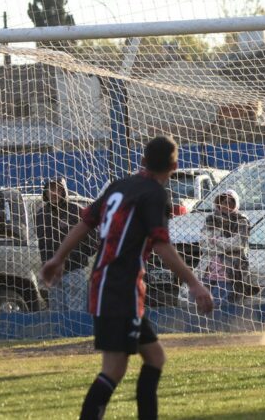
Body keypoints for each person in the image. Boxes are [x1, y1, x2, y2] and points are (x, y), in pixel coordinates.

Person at [40, 136, 213, 420]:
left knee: (155, 357)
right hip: (121, 287)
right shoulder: (155, 194)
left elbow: (85, 222)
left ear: (143, 161)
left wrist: (58, 258)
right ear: (174, 166)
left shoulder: (119, 186)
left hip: (108, 283)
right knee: (114, 369)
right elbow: (161, 245)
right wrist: (194, 283)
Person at [36, 177, 97, 312]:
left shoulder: (76, 210)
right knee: (56, 313)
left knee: (76, 313)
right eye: (51, 189)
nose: (54, 193)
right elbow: (42, 244)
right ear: (45, 192)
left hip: (74, 271)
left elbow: (93, 238)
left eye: (58, 189)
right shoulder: (41, 215)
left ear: (64, 191)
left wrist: (78, 258)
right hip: (53, 275)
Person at [199, 189, 251, 306]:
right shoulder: (211, 219)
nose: (226, 205)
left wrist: (216, 240)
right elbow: (204, 245)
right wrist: (226, 246)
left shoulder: (242, 220)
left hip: (229, 272)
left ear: (236, 204)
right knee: (201, 304)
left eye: (230, 202)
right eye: (224, 202)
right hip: (208, 270)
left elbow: (238, 243)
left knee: (220, 305)